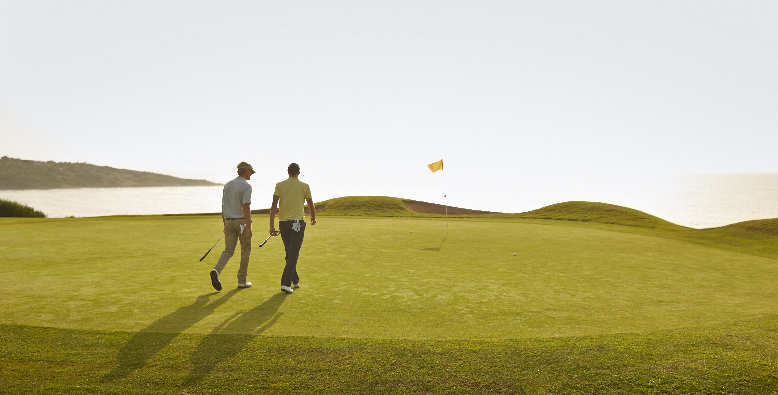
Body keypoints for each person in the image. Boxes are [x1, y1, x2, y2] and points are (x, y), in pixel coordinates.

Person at [270, 163, 316, 294]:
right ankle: (285, 283)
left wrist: (271, 225)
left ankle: (295, 280)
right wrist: (313, 218)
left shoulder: (280, 185)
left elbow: (274, 205)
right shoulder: (304, 186)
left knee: (289, 253)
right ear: (299, 173)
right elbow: (311, 204)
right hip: (297, 223)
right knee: (293, 253)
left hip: (283, 223)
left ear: (288, 172)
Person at [210, 162, 255, 291]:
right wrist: (249, 227)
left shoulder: (228, 184)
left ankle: (216, 270)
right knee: (245, 249)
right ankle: (242, 281)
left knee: (228, 250)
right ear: (246, 170)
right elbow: (246, 206)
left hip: (228, 221)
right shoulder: (246, 186)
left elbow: (224, 205)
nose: (251, 174)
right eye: (251, 172)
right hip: (241, 222)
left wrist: (225, 223)